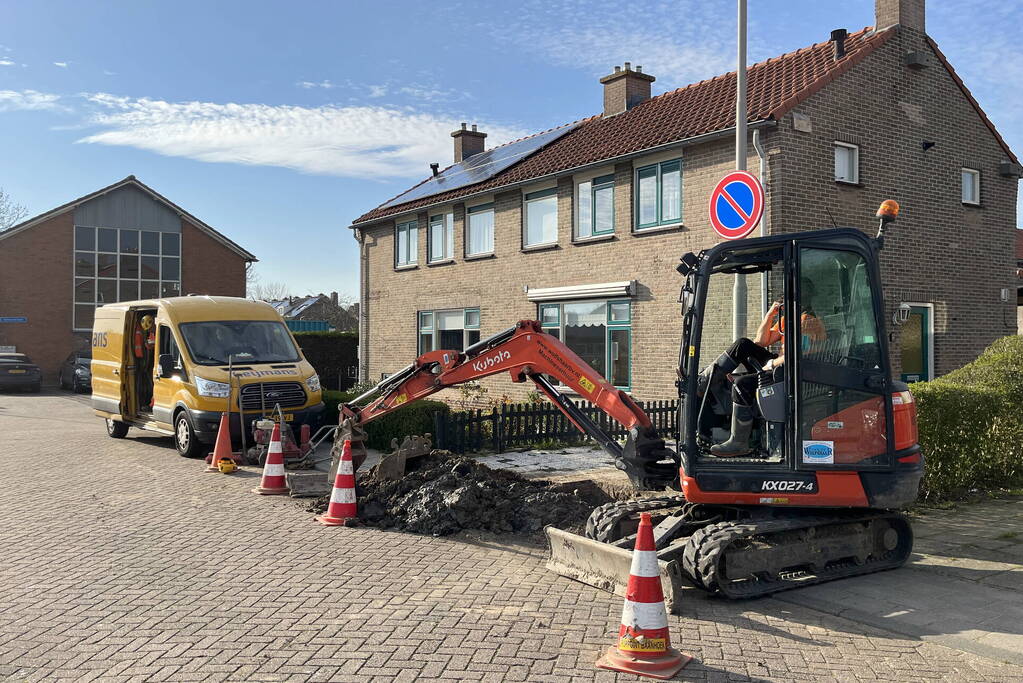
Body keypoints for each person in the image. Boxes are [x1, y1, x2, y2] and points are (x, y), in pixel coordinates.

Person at [708, 283, 826, 457]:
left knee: (742, 384)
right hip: (780, 364)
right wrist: (771, 314)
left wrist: (771, 364)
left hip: (793, 372)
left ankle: (738, 442)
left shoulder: (807, 321)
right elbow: (760, 342)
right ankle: (705, 381)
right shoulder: (789, 319)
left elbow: (801, 356)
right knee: (743, 345)